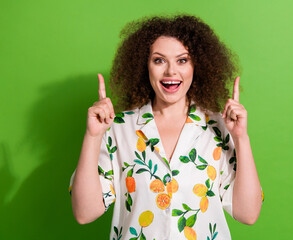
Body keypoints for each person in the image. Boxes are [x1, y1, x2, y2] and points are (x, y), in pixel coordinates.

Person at [69, 15, 264, 239]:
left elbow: (248, 215)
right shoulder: (117, 128)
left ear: (196, 65)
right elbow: (84, 213)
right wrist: (93, 136)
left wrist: (241, 138)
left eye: (182, 60)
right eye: (159, 60)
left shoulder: (219, 128)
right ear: (145, 66)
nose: (171, 71)